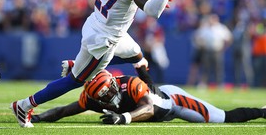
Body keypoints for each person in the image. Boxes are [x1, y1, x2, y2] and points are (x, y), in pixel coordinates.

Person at [10, 0, 193, 128]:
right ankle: (25, 105)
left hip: (99, 23)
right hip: (105, 38)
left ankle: (151, 91)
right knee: (75, 81)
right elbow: (153, 11)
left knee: (138, 56)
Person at [30, 69, 266, 124]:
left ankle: (262, 112)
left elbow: (149, 108)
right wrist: (38, 118)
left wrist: (123, 118)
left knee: (221, 119)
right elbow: (63, 111)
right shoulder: (91, 97)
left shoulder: (131, 84)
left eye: (110, 90)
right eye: (103, 96)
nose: (109, 96)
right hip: (158, 110)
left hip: (172, 102)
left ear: (114, 83)